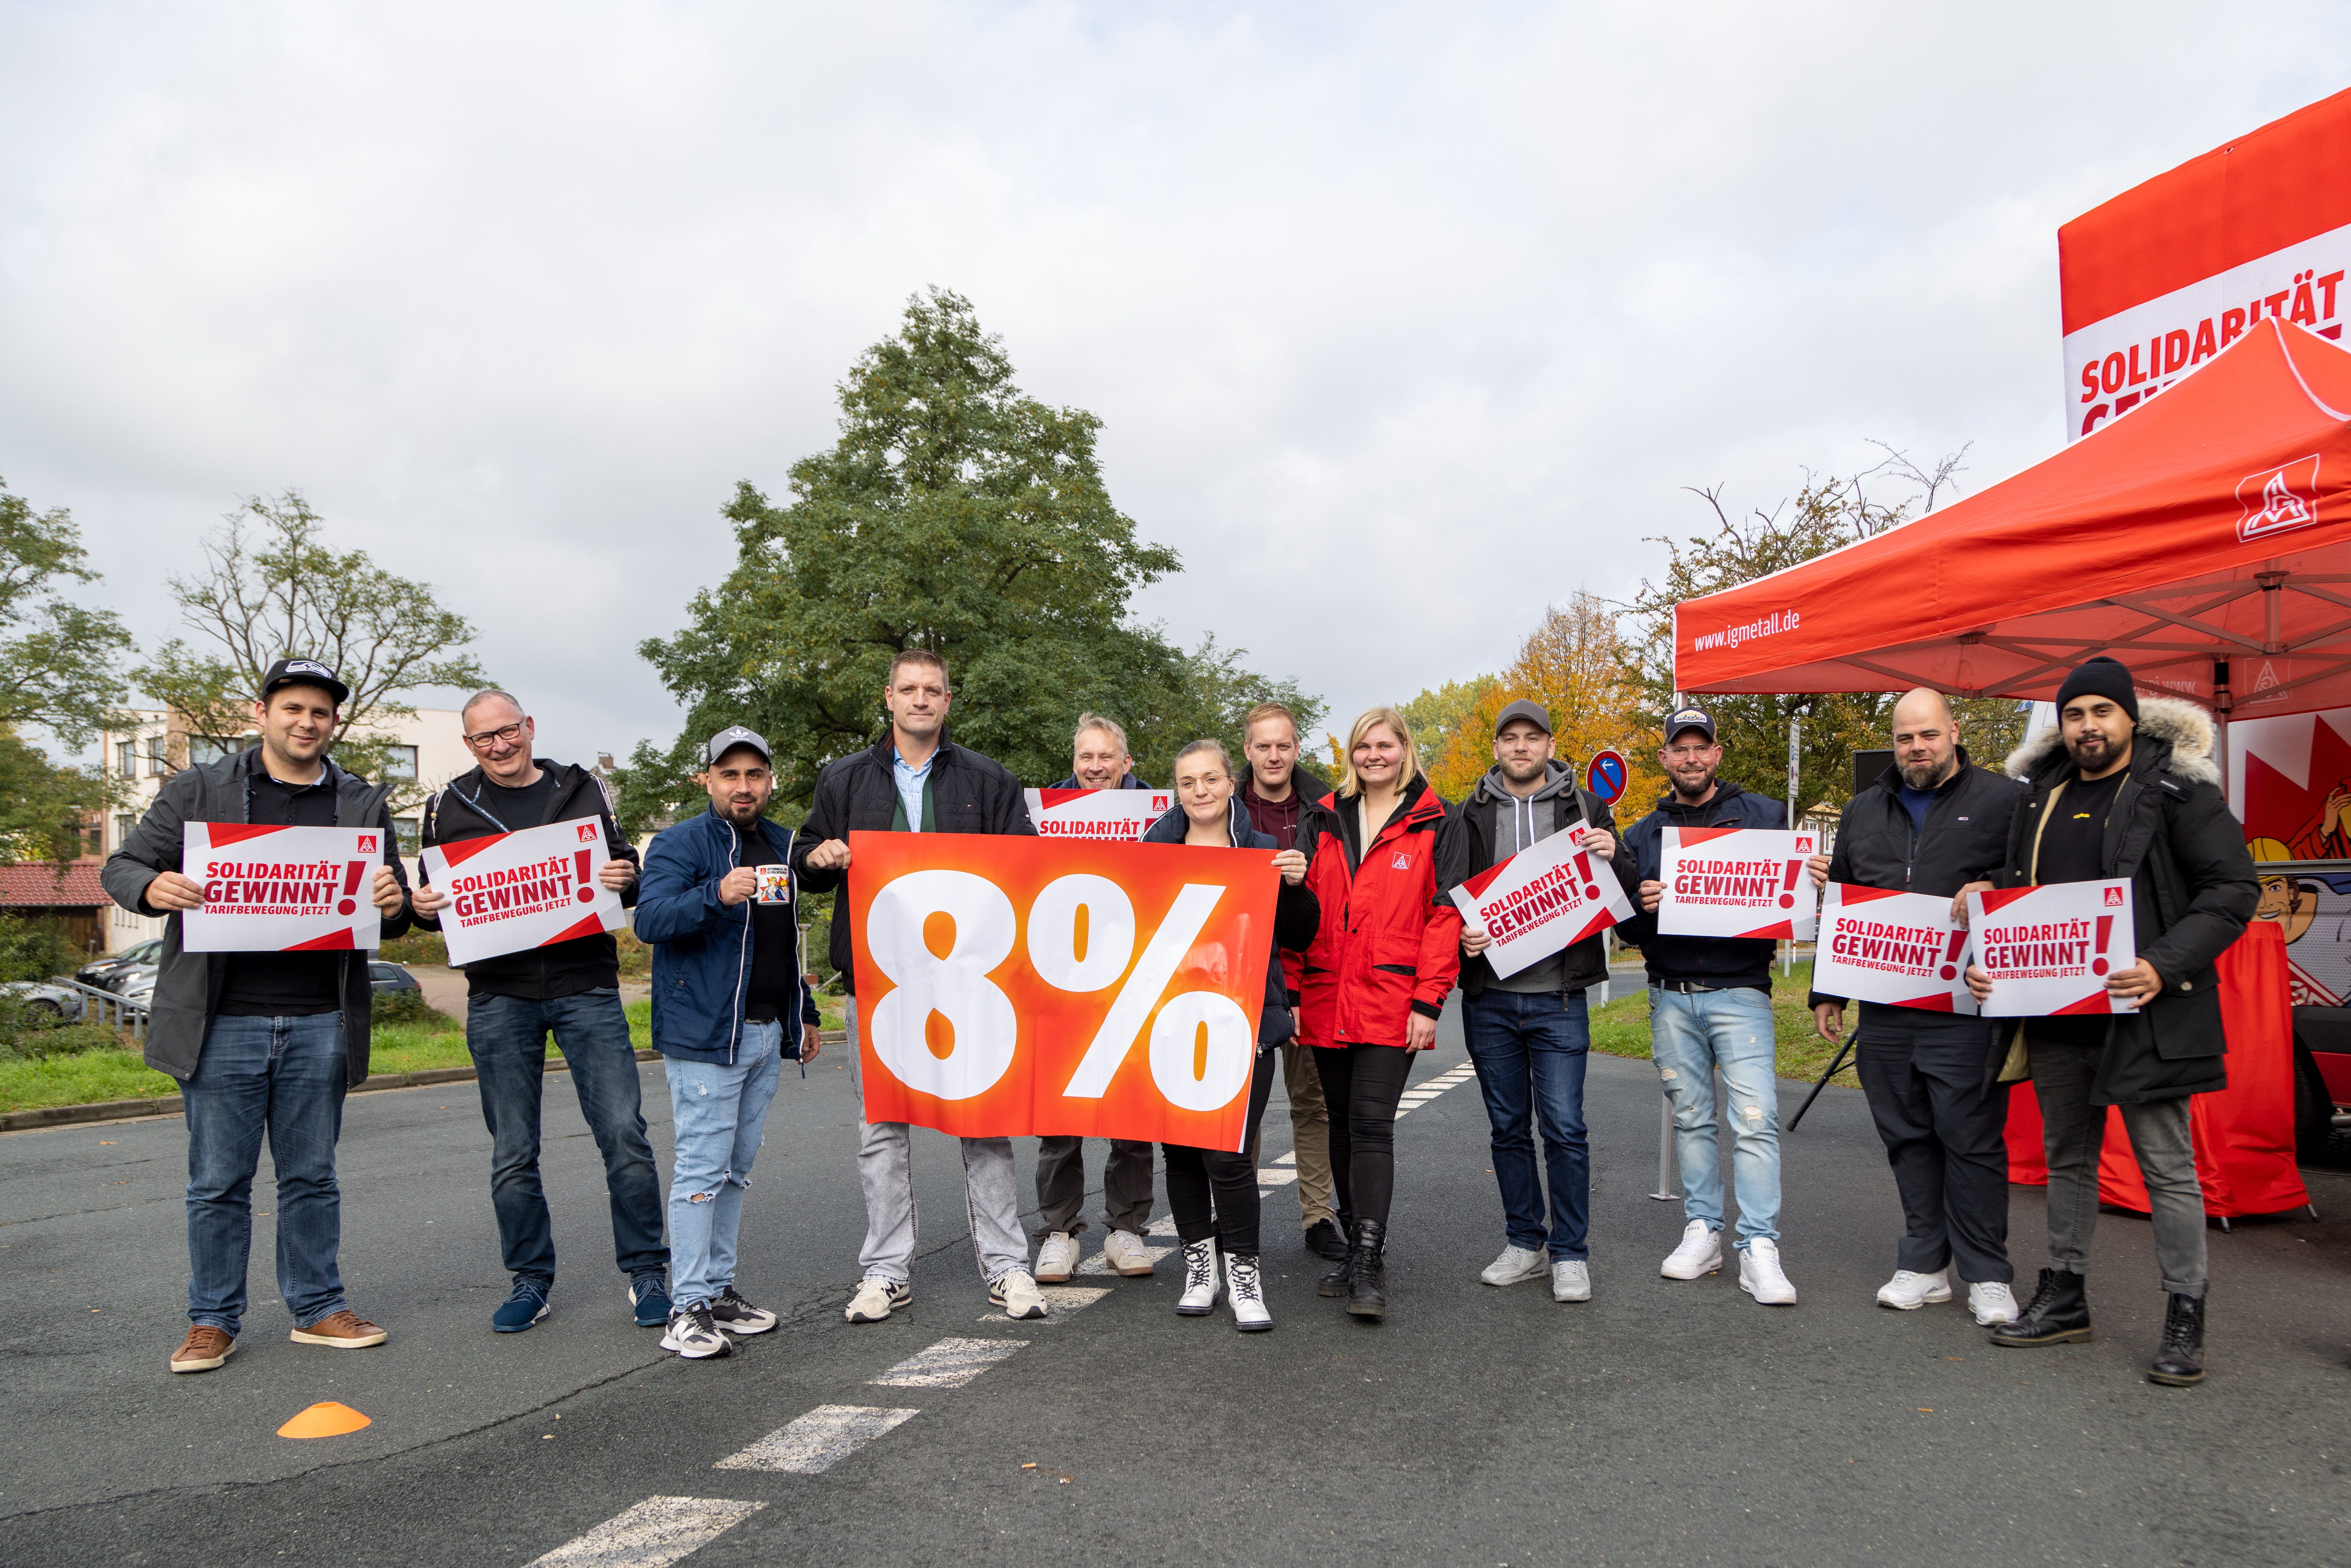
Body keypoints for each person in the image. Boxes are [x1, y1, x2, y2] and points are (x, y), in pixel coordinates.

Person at [102, 658, 413, 1374]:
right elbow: (121, 868)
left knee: (312, 1176)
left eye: (321, 713)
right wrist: (155, 886)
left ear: (335, 723)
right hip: (221, 1022)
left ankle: (317, 1307)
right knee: (218, 1181)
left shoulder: (361, 802)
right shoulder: (198, 788)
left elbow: (387, 919)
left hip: (318, 1019)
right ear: (264, 711)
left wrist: (395, 906)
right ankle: (212, 1320)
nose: (307, 722)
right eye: (293, 709)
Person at [1959, 656, 2256, 1387]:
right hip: (2059, 1015)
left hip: (2147, 1011)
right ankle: (2065, 1296)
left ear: (2130, 717)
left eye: (2101, 711)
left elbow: (2232, 888)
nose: (2087, 726)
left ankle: (2185, 1312)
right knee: (2068, 1158)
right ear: (2060, 724)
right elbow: (2030, 897)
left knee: (2166, 1168)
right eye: (2074, 714)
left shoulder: (2177, 789)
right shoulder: (2039, 797)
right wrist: (1989, 939)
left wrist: (2162, 964)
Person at [793, 650, 1051, 1325]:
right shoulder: (844, 779)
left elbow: (1025, 871)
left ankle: (1006, 1266)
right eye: (908, 689)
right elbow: (806, 856)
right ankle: (885, 1272)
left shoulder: (990, 781)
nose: (919, 700)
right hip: (880, 985)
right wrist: (818, 857)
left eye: (932, 690)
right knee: (882, 1128)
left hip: (972, 982)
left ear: (947, 701)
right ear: (888, 698)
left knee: (985, 1124)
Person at [409, 689, 669, 1336]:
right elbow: (429, 894)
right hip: (499, 995)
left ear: (529, 727)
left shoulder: (584, 788)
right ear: (467, 745)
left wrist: (625, 878)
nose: (499, 747)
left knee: (624, 1136)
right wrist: (421, 905)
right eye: (482, 739)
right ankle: (530, 1280)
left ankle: (647, 1273)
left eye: (507, 732)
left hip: (586, 985)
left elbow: (625, 868)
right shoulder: (445, 806)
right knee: (514, 1151)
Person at [1806, 690, 2023, 1325]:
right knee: (1907, 1138)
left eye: (1927, 735)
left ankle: (1987, 1273)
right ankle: (1926, 1264)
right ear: (1893, 743)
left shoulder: (2004, 800)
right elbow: (1842, 903)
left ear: (1953, 732)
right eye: (1905, 739)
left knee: (1972, 1140)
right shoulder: (1862, 810)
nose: (1917, 748)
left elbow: (2038, 879)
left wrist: (1998, 887)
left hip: (1964, 1006)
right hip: (1885, 1006)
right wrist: (1827, 990)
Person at [632, 726, 823, 1360]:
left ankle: (716, 1291)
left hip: (768, 1031)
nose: (744, 787)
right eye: (730, 775)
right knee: (700, 1173)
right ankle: (683, 1308)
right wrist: (715, 893)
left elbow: (780, 939)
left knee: (735, 1173)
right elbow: (650, 920)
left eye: (756, 776)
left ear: (771, 781)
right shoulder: (680, 841)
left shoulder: (781, 843)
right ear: (708, 780)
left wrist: (807, 1010)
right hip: (710, 1035)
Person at [1437, 699, 1631, 1305]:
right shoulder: (1467, 813)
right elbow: (1449, 898)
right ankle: (1526, 1242)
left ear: (1550, 745)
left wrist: (1615, 855)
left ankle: (1571, 1254)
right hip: (1490, 998)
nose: (1521, 747)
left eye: (1533, 737)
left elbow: (1624, 893)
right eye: (1510, 738)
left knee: (1566, 1129)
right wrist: (1461, 936)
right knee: (1507, 1128)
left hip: (1561, 996)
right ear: (1496, 748)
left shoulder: (1586, 806)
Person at [1618, 704, 1799, 1306]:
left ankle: (1760, 1245)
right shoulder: (1643, 835)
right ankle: (1704, 1231)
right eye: (1680, 748)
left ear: (1718, 755)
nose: (1691, 758)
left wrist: (1811, 879)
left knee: (1755, 1122)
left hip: (1741, 994)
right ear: (1665, 758)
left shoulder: (1764, 817)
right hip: (1670, 996)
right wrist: (1641, 910)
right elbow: (1630, 933)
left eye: (1701, 748)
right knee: (1692, 1118)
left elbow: (1785, 903)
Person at [1143, 739, 1319, 1331]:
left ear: (1229, 782)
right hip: (1171, 1022)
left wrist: (1296, 884)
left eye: (1211, 779)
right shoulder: (1153, 852)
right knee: (1181, 1151)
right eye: (1188, 781)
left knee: (1229, 1154)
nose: (1201, 791)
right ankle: (1200, 1268)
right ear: (1177, 790)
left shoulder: (1266, 850)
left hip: (1245, 1025)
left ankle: (1244, 1273)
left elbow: (1298, 935)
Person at [1297, 706, 1462, 1321]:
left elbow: (1445, 916)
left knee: (1371, 1123)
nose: (1374, 755)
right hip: (1327, 993)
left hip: (1392, 999)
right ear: (1351, 755)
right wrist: (1292, 989)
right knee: (1338, 1122)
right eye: (1363, 746)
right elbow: (1300, 912)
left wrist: (1429, 1000)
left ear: (1405, 751)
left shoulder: (1435, 822)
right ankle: (1356, 1243)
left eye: (1385, 745)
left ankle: (1368, 1259)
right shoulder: (1322, 818)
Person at [1032, 712, 1158, 1284]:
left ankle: (1127, 1229)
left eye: (1106, 757)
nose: (1095, 767)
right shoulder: (1039, 814)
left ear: (1126, 764)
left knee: (1132, 1112)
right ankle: (1059, 1233)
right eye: (1086, 757)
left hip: (1134, 978)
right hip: (1062, 980)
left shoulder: (1161, 818)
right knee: (1060, 1115)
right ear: (1074, 761)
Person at [1238, 700, 1347, 1263]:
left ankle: (1318, 1216)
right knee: (1240, 1108)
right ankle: (1238, 1216)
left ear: (1296, 749)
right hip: (1240, 975)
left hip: (1310, 973)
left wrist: (1305, 989)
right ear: (1248, 750)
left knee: (1313, 1102)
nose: (1274, 755)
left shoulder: (1330, 807)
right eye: (1264, 746)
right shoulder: (1222, 806)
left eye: (1283, 746)